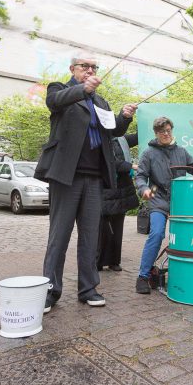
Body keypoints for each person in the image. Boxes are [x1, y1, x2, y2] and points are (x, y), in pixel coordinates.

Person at [35, 53, 137, 312]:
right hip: (66, 176)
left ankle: (88, 288)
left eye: (94, 67)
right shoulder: (61, 89)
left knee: (91, 236)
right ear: (73, 69)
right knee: (59, 235)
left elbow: (113, 131)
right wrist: (82, 89)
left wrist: (124, 116)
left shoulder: (101, 101)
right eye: (85, 66)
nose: (90, 70)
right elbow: (54, 102)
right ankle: (50, 290)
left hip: (95, 178)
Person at [135, 116, 193, 294]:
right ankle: (143, 276)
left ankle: (182, 271)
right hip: (157, 200)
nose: (165, 134)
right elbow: (140, 176)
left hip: (180, 202)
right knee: (156, 233)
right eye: (161, 131)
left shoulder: (181, 151)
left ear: (171, 131)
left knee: (183, 237)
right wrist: (143, 189)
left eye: (168, 130)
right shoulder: (148, 153)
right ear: (156, 133)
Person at [97, 132, 139, 272]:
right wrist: (130, 166)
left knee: (117, 227)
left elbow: (141, 135)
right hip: (105, 188)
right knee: (101, 227)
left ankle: (114, 261)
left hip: (122, 190)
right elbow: (107, 161)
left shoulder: (122, 139)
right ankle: (98, 261)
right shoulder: (98, 139)